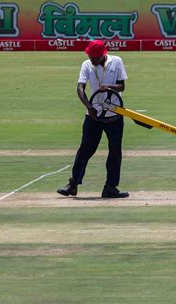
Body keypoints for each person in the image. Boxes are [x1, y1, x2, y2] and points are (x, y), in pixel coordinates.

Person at [57, 40, 129, 198]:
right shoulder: (86, 65)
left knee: (115, 152)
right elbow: (80, 87)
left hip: (114, 114)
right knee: (85, 150)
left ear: (103, 55)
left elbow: (122, 86)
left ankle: (110, 187)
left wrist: (109, 86)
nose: (92, 60)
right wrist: (89, 107)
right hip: (94, 115)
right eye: (90, 56)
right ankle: (73, 184)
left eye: (94, 58)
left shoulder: (116, 61)